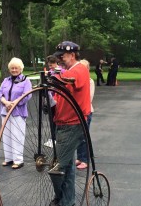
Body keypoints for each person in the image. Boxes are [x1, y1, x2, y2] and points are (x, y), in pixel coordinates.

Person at [48, 41, 91, 206]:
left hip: (73, 125)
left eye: (62, 56)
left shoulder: (79, 69)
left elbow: (70, 80)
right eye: (58, 57)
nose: (59, 60)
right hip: (64, 123)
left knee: (57, 169)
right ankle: (68, 201)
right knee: (69, 167)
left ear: (72, 55)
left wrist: (53, 75)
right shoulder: (68, 71)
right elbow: (62, 93)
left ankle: (61, 200)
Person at [0, 57, 32, 169]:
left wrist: (14, 103)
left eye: (16, 68)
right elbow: (0, 93)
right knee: (6, 135)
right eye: (12, 68)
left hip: (18, 111)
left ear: (21, 69)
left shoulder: (26, 81)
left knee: (17, 135)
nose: (14, 70)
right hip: (5, 110)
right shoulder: (6, 80)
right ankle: (9, 158)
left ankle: (18, 160)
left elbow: (27, 95)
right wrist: (6, 103)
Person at [75, 59, 95, 170]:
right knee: (78, 136)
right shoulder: (76, 80)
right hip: (77, 112)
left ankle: (85, 159)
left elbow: (88, 98)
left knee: (84, 136)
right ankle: (80, 157)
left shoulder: (89, 81)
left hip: (86, 111)